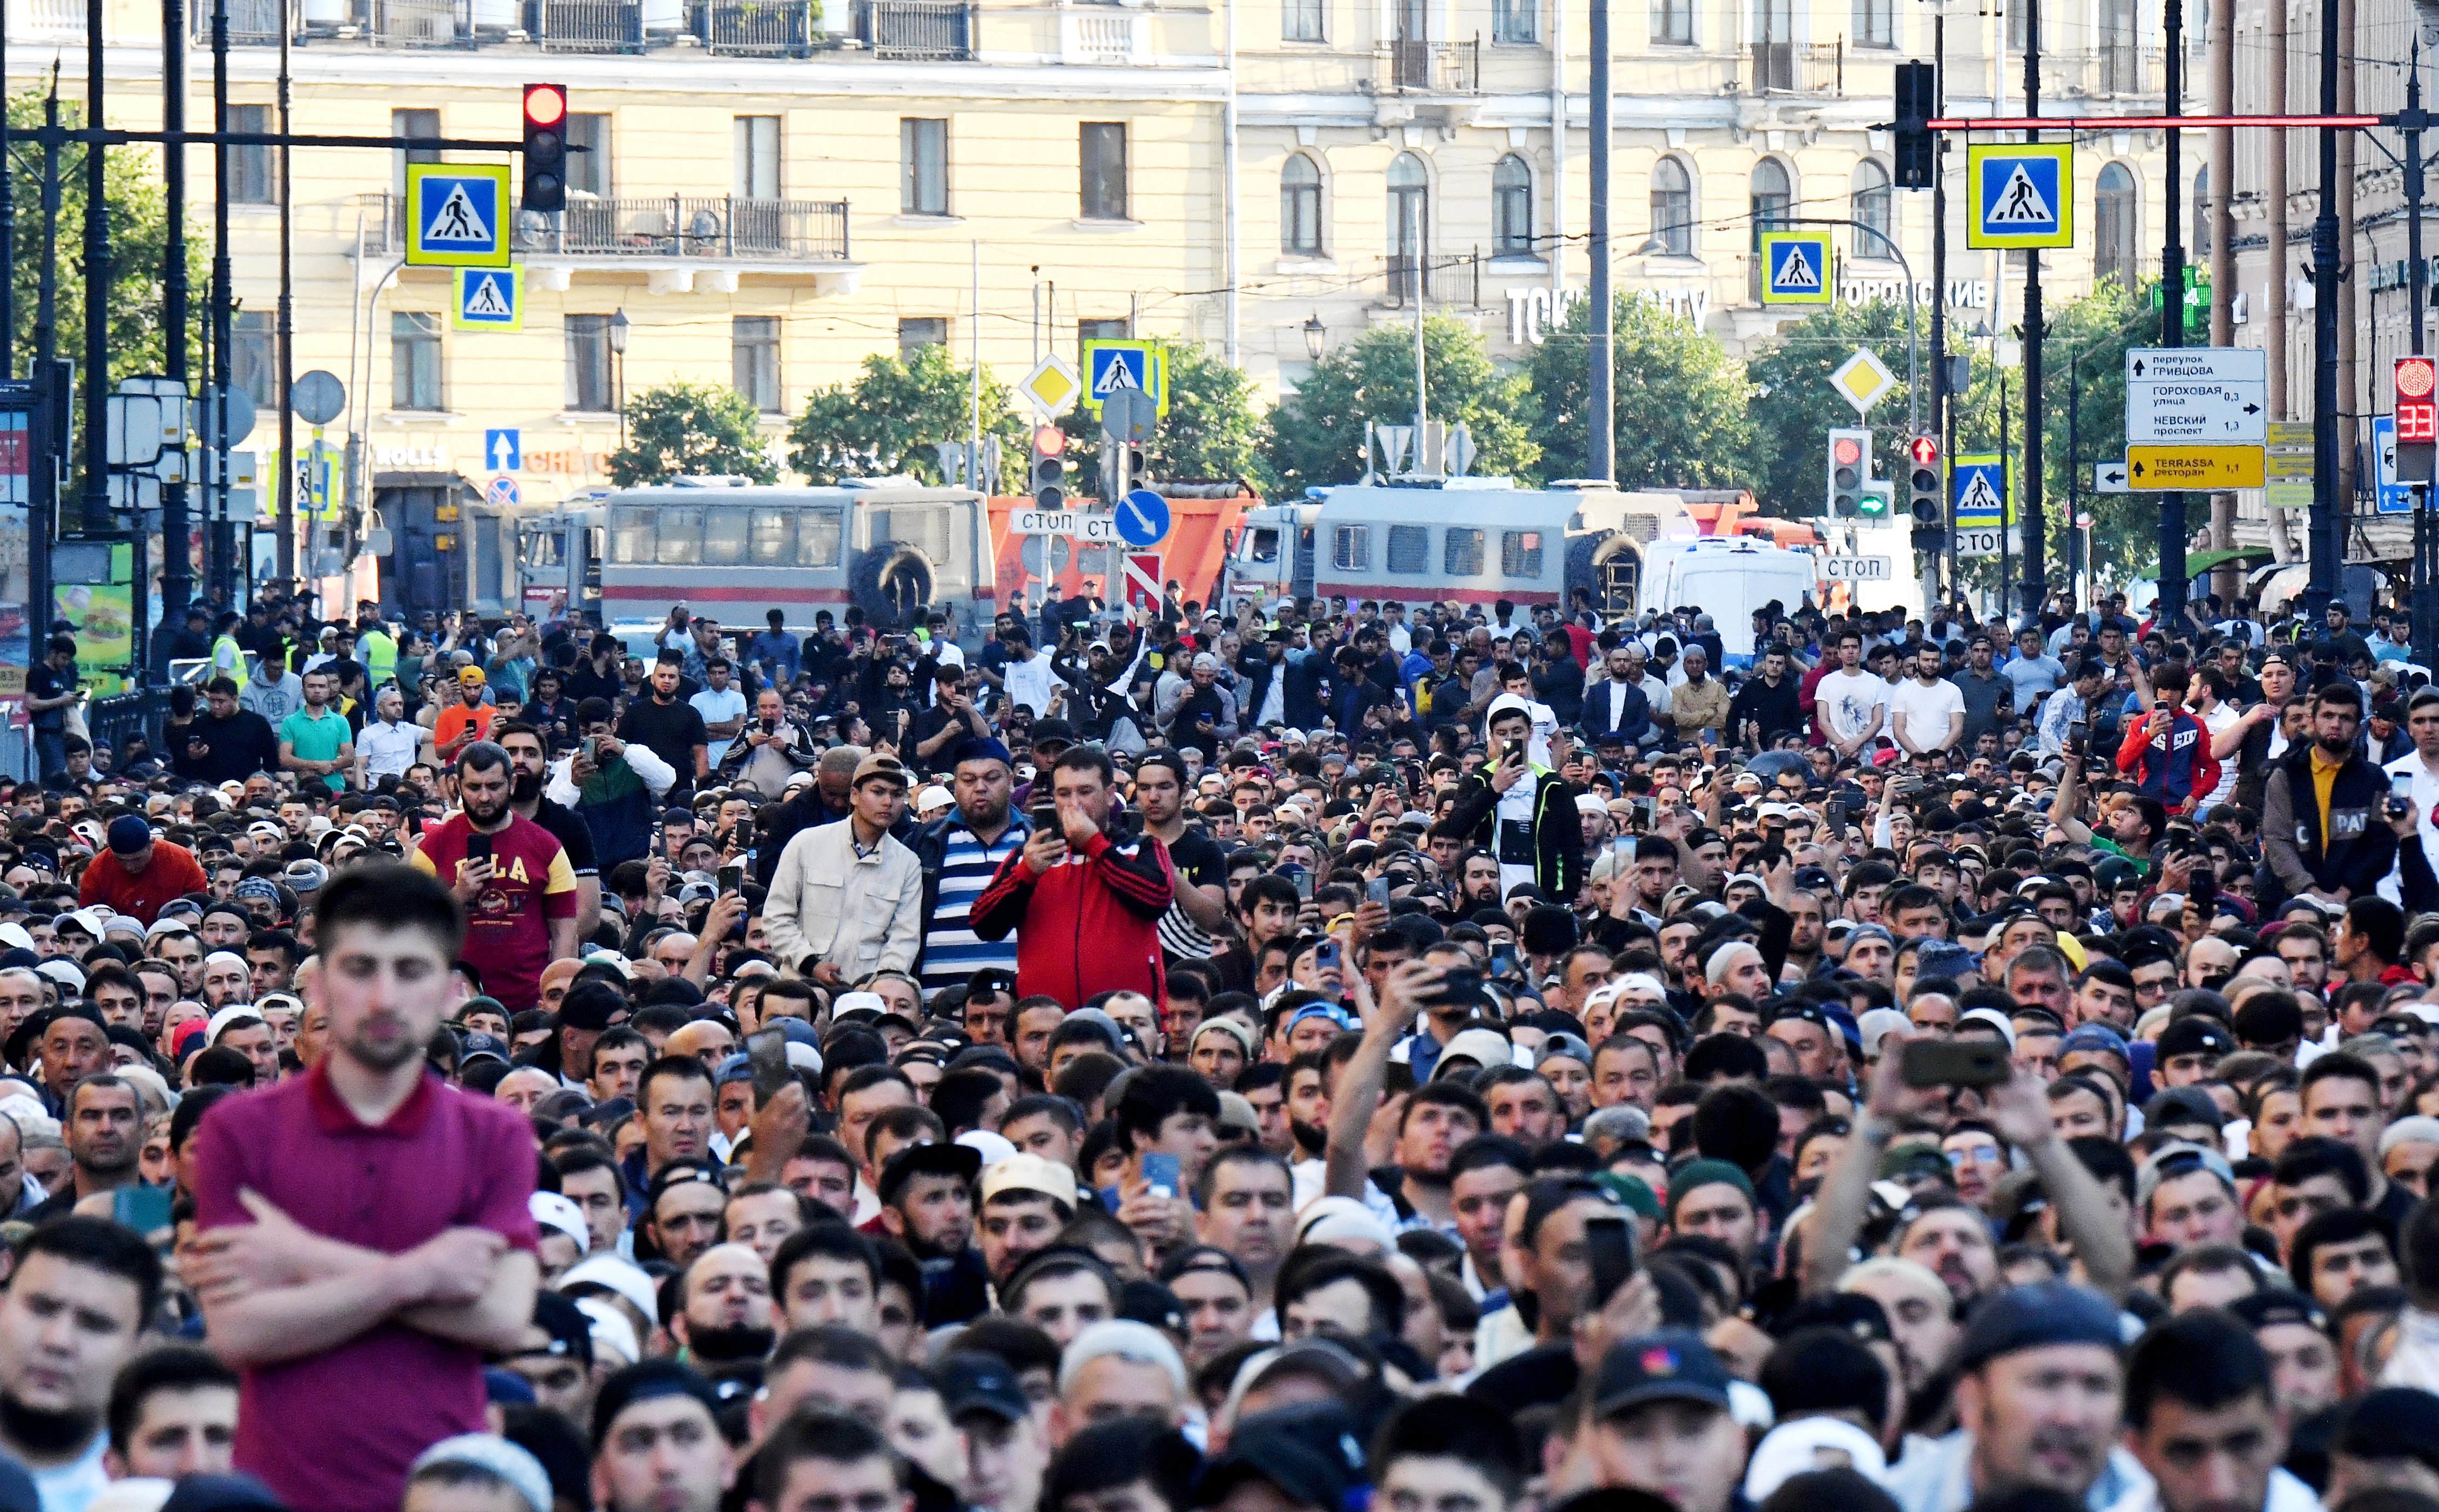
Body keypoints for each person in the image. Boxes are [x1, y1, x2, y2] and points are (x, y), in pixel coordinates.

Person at [186, 862, 541, 1512]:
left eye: (410, 971)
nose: (383, 997)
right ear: (318, 985)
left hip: (447, 1492)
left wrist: (303, 1260)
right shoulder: (240, 1128)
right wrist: (420, 1275)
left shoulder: (497, 1134)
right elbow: (238, 1330)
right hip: (278, 1489)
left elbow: (500, 1317)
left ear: (447, 988)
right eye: (359, 969)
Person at [971, 746, 1173, 1006]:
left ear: (1111, 795)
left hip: (1127, 1018)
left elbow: (1156, 899)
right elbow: (984, 924)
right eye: (1064, 793)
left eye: (1085, 792)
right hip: (1047, 1021)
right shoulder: (1030, 856)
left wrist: (1095, 845)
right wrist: (1026, 873)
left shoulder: (1140, 848)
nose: (1074, 804)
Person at [0, 1219, 160, 1512]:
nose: (57, 1341)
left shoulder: (162, 1493)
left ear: (139, 1351)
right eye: (41, 1308)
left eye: (95, 1325)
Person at [408, 743, 582, 1011]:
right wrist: (457, 896)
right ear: (457, 786)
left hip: (530, 1003)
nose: (485, 797)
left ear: (512, 784)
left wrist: (555, 996)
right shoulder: (433, 847)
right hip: (454, 1004)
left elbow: (565, 931)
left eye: (494, 786)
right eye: (474, 788)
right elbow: (412, 930)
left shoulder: (546, 846)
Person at [765, 754, 924, 987]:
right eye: (878, 792)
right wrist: (810, 963)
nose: (888, 802)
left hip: (867, 995)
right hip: (801, 988)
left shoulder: (907, 863)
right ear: (855, 796)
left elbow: (904, 939)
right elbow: (777, 917)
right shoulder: (807, 844)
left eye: (897, 794)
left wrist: (875, 985)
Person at [77, 816, 207, 926]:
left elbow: (201, 906)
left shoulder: (182, 860)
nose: (130, 867)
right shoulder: (97, 869)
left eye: (137, 859)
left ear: (152, 843)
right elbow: (87, 918)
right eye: (121, 860)